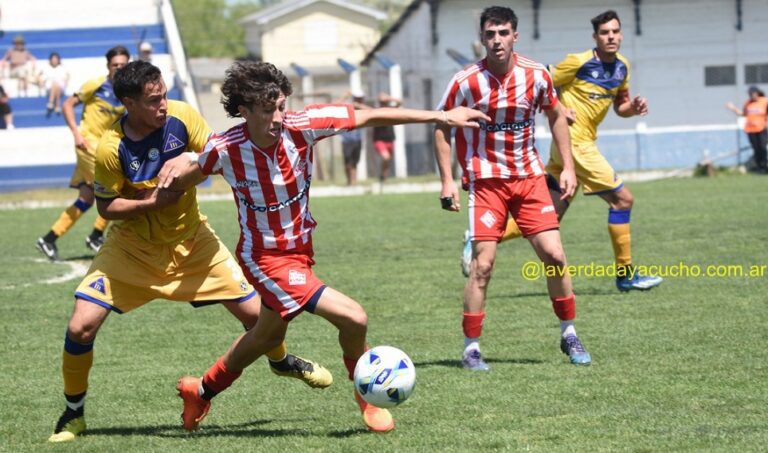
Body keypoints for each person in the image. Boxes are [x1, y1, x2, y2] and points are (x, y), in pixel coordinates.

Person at [167, 61, 487, 433]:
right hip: (264, 258)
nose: (278, 116)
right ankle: (367, 399)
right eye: (268, 109)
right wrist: (176, 165)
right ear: (244, 110)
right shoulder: (225, 149)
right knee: (355, 317)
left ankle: (201, 391)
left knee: (266, 337)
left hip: (301, 251)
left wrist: (443, 114)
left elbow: (370, 117)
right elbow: (186, 175)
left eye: (281, 106)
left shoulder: (304, 126)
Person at [47, 60, 331, 443]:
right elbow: (105, 208)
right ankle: (73, 413)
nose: (163, 104)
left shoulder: (181, 117)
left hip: (194, 242)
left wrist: (194, 160)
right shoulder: (111, 148)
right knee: (80, 326)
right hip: (132, 250)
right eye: (153, 100)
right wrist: (152, 204)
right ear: (128, 103)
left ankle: (281, 362)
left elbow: (221, 151)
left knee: (262, 319)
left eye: (163, 94)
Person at [461, 9, 664, 293]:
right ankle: (625, 274)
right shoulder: (578, 62)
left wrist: (635, 108)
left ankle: (477, 237)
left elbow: (621, 106)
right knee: (623, 200)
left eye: (615, 32)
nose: (611, 37)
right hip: (575, 144)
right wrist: (558, 109)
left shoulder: (622, 67)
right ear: (595, 37)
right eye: (605, 33)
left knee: (547, 218)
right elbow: (541, 82)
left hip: (575, 147)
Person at [435, 6, 592, 372]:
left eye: (503, 33)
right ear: (482, 38)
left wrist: (568, 166)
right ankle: (471, 348)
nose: (496, 40)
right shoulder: (465, 81)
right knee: (483, 267)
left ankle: (569, 333)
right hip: (486, 182)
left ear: (514, 36)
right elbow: (441, 126)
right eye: (490, 34)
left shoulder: (536, 75)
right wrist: (447, 180)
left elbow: (556, 115)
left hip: (529, 179)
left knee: (554, 255)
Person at [35, 46, 129, 261]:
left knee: (86, 198)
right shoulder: (96, 85)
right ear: (108, 66)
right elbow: (68, 104)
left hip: (107, 148)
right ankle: (96, 235)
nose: (118, 68)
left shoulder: (127, 92)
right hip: (89, 147)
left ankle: (49, 239)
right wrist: (76, 133)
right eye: (115, 65)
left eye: (123, 65)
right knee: (120, 188)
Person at [726, 86, 768, 173]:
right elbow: (743, 114)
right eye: (750, 94)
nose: (751, 95)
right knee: (756, 149)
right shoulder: (748, 103)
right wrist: (733, 108)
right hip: (751, 130)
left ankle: (764, 166)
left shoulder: (764, 101)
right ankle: (760, 167)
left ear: (757, 93)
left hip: (762, 129)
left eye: (753, 93)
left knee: (762, 148)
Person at [337, 89, 369, 185]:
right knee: (347, 162)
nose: (359, 100)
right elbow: (334, 106)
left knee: (355, 162)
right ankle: (349, 181)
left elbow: (372, 111)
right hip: (346, 139)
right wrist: (344, 96)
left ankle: (353, 182)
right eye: (357, 98)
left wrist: (359, 106)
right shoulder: (347, 107)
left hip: (357, 139)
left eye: (360, 99)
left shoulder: (362, 109)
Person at [372, 92, 401, 182]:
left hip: (390, 139)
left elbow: (399, 102)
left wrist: (389, 98)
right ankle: (383, 176)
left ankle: (384, 177)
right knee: (386, 157)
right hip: (379, 139)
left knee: (388, 160)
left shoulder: (391, 110)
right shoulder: (376, 110)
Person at [41, 52, 70, 116]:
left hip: (60, 85)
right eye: (53, 59)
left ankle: (51, 103)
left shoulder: (62, 68)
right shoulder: (47, 68)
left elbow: (66, 77)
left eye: (56, 59)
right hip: (49, 86)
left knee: (56, 84)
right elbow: (43, 78)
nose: (54, 61)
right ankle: (57, 105)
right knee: (54, 84)